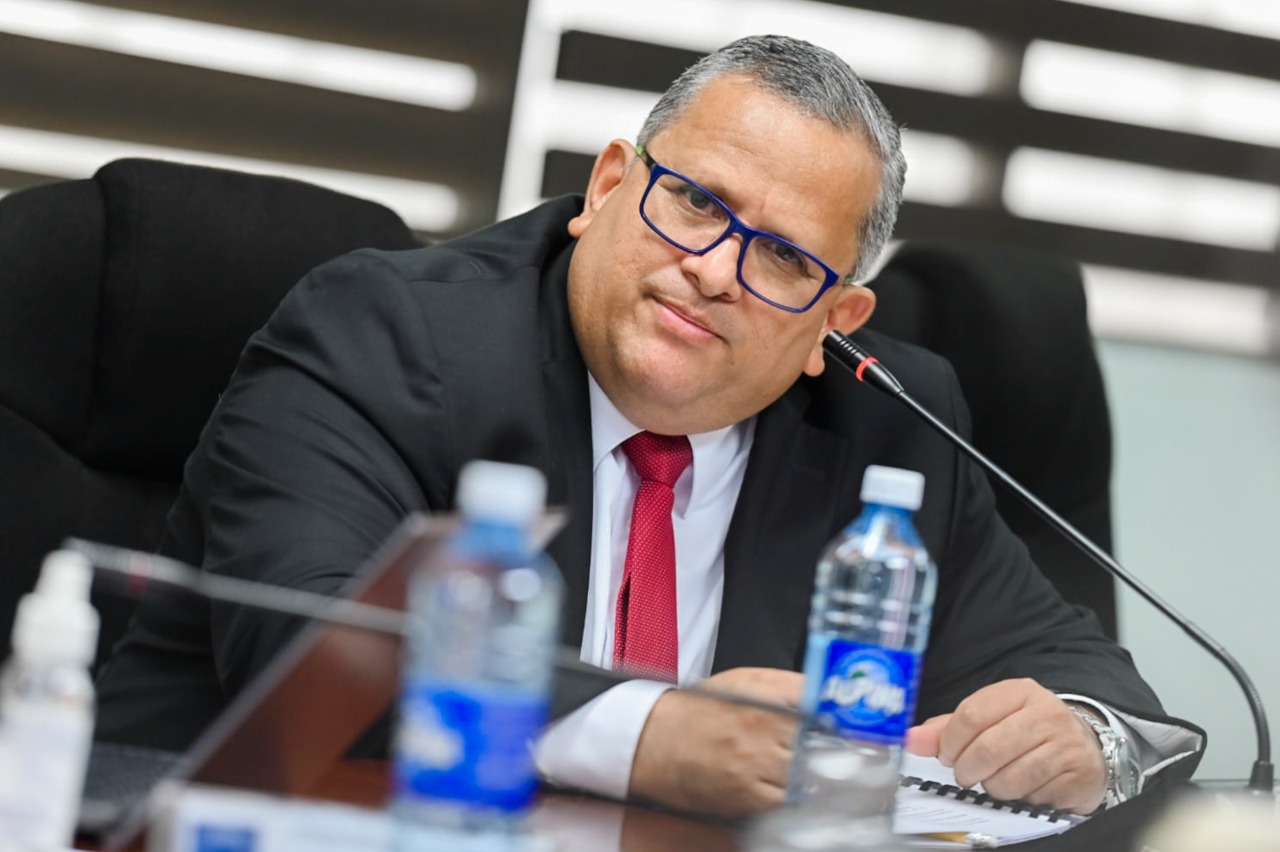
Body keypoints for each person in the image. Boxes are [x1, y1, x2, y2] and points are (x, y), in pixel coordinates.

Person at [95, 35, 1202, 819]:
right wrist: (645, 730)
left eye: (783, 258)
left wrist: (1084, 737)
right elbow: (315, 656)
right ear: (609, 187)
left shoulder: (887, 420)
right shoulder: (385, 335)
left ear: (832, 323)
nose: (713, 271)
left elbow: (1081, 673)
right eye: (696, 203)